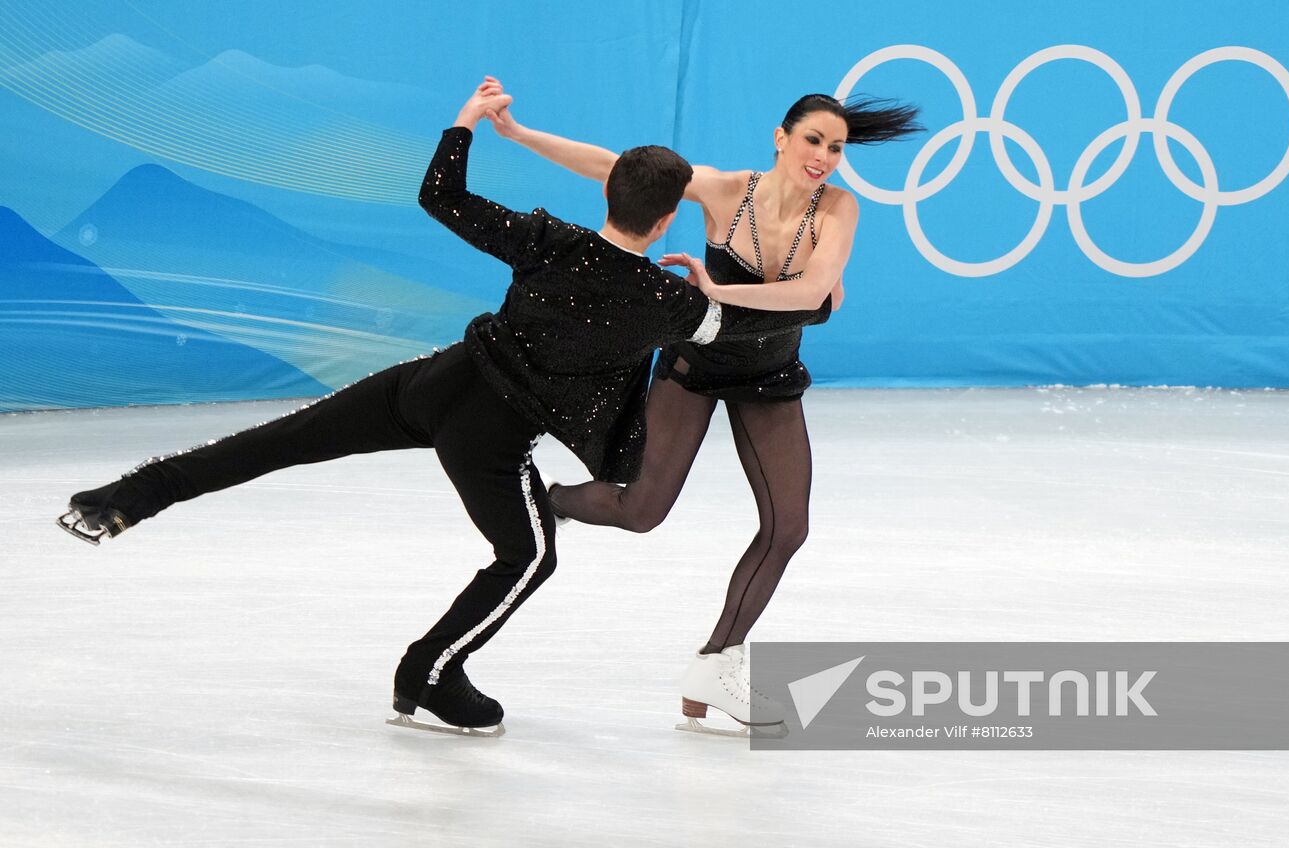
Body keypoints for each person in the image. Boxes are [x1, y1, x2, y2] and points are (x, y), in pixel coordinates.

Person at [57, 79, 831, 736]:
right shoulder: (668, 300)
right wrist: (793, 299)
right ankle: (428, 672)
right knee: (528, 556)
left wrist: (467, 121)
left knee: (279, 439)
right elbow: (759, 322)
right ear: (667, 223)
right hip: (489, 440)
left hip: (428, 385)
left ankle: (122, 499)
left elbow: (439, 194)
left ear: (608, 192)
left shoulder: (543, 236)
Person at [488, 82, 920, 731]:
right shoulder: (725, 190)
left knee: (788, 527)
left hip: (769, 375)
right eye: (813, 140)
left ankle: (716, 665)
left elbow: (817, 289)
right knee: (641, 510)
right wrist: (519, 135)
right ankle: (549, 501)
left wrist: (717, 292)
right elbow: (616, 168)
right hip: (693, 368)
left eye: (836, 146)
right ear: (782, 137)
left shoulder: (838, 209)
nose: (825, 156)